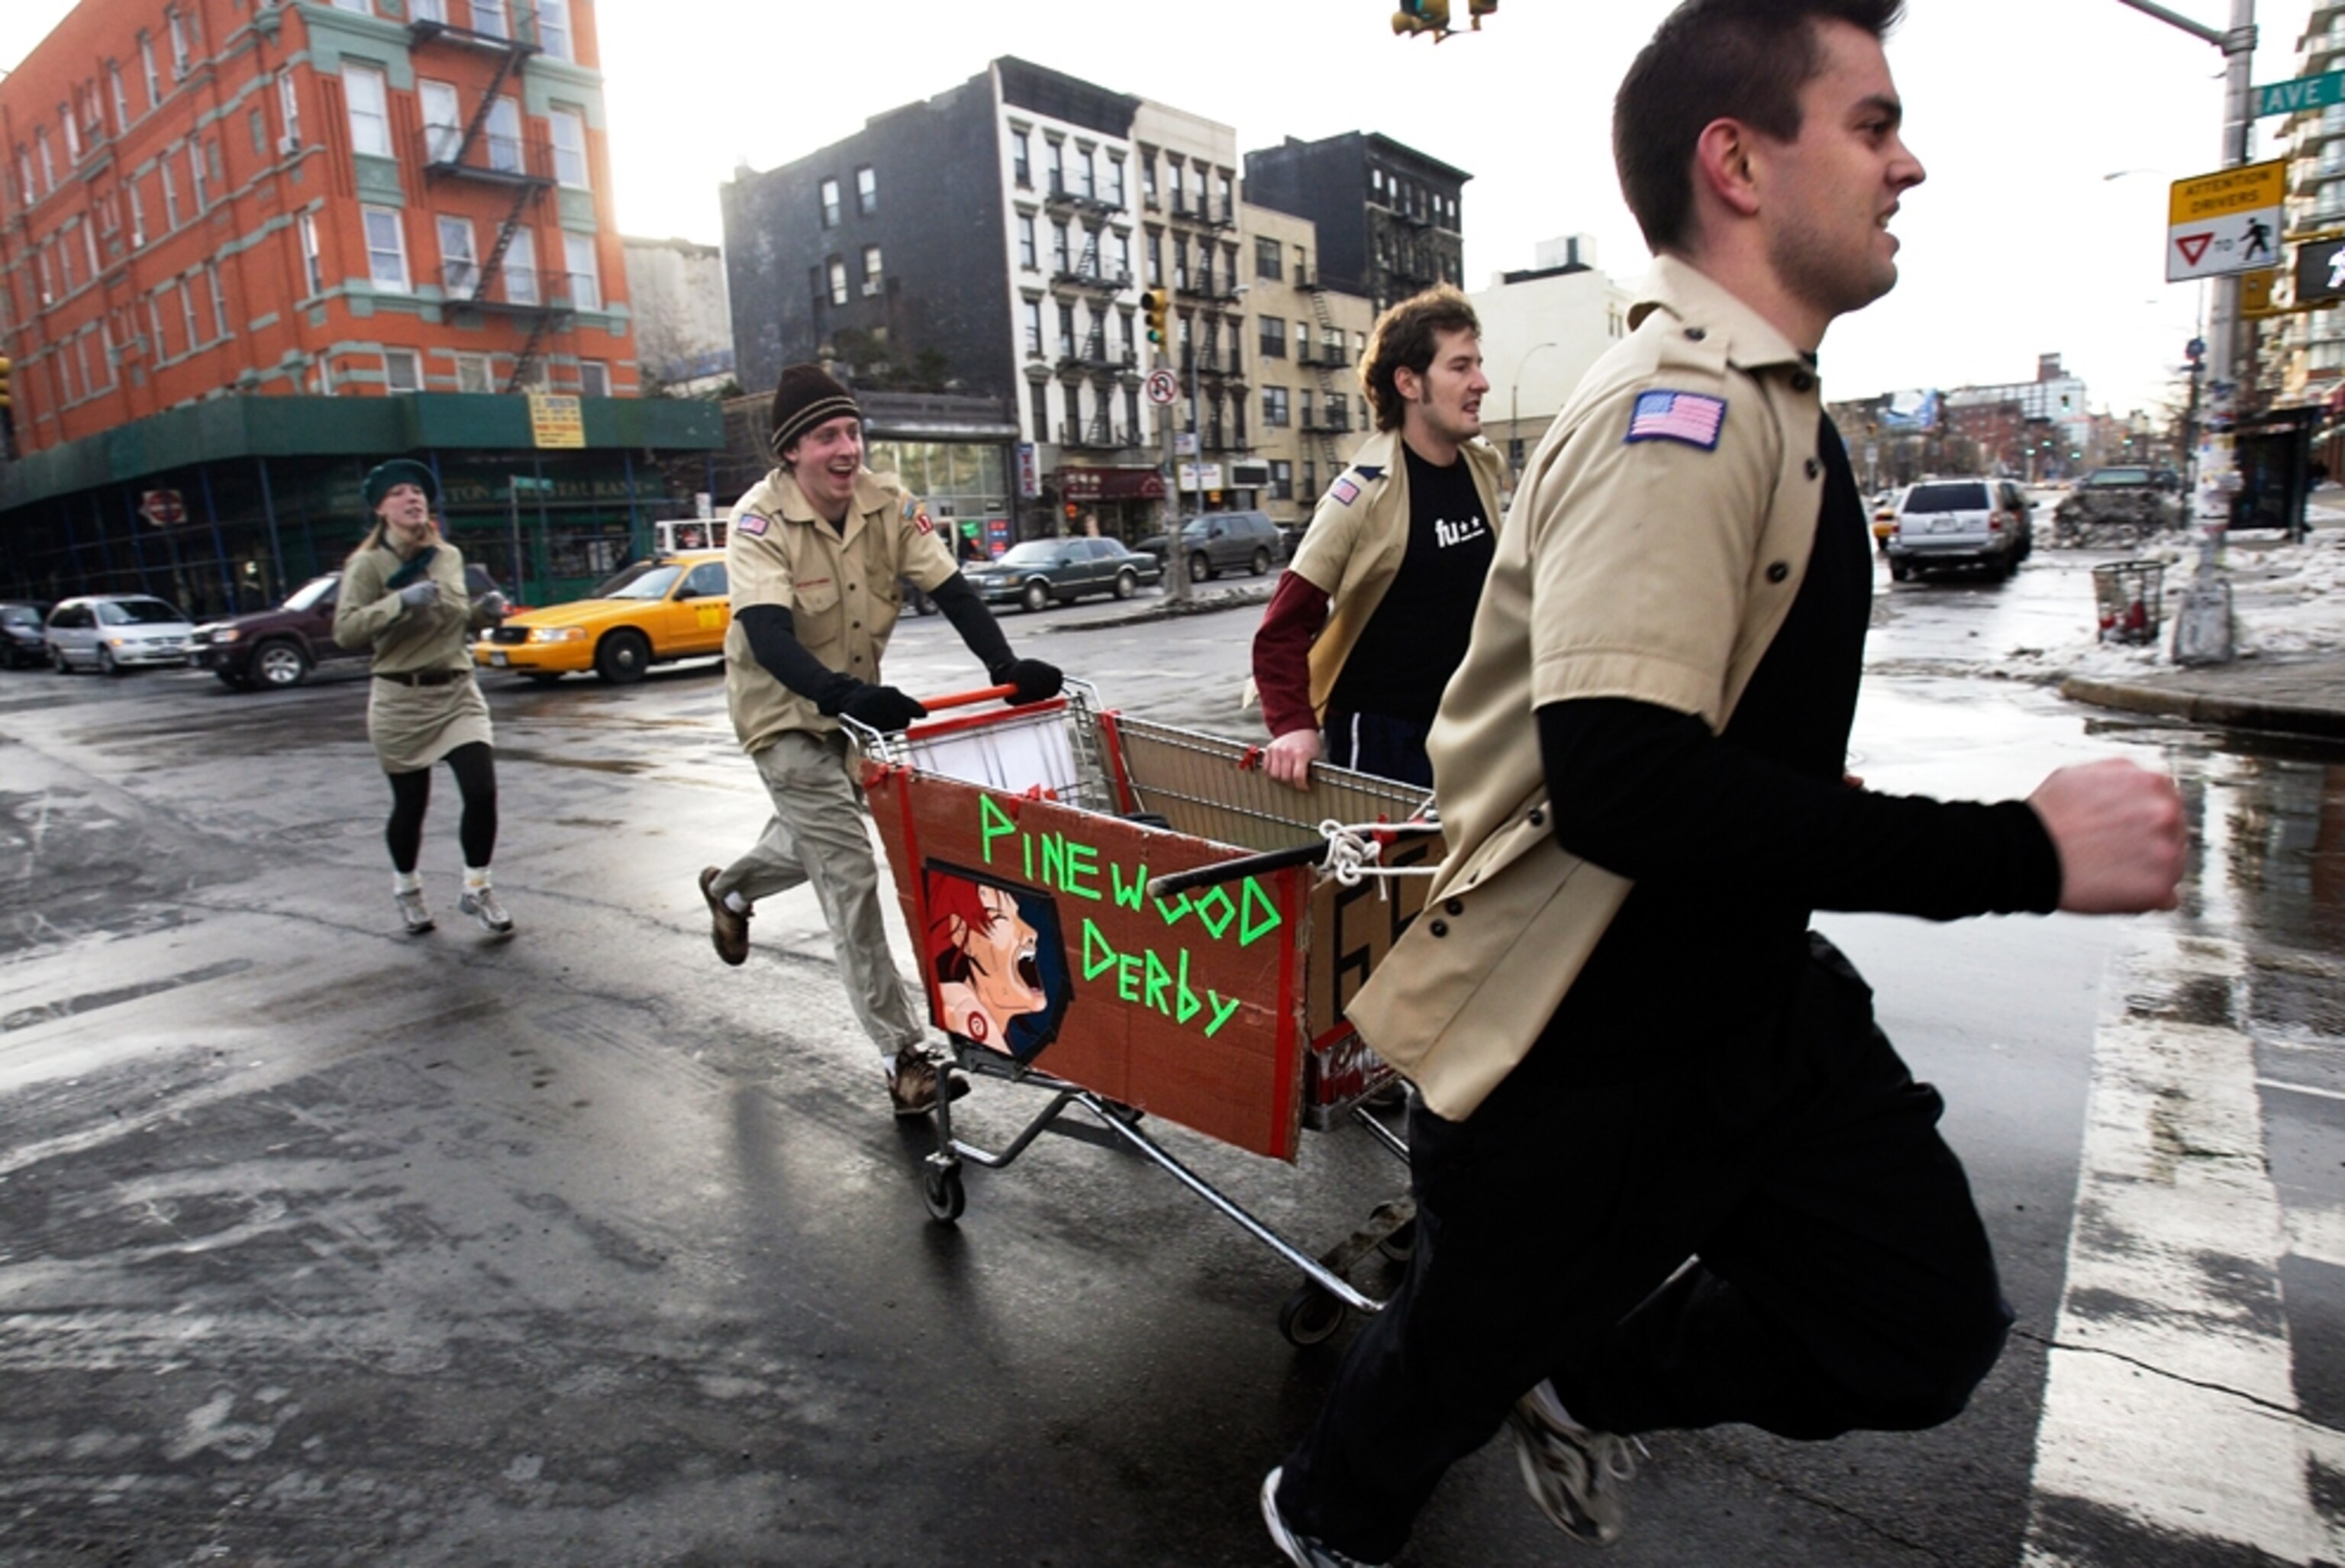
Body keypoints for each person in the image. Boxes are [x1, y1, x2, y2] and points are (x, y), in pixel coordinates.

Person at [1259, 5, 2189, 1565]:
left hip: (1754, 1004)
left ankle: (1580, 1370)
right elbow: (1625, 785)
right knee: (1410, 1415)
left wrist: (1783, 776)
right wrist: (2024, 850)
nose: (1910, 164)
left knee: (1922, 1322)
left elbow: (1688, 725)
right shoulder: (1669, 415)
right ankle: (1329, 1509)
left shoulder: (1775, 406)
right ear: (1738, 162)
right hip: (1577, 1042)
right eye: (1872, 124)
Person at [697, 364, 1063, 1118]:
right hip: (783, 712)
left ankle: (729, 888)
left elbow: (951, 587)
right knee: (850, 871)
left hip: (853, 710)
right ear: (791, 450)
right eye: (828, 435)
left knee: (814, 843)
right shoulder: (758, 520)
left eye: (854, 432)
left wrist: (1004, 664)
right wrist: (842, 694)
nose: (847, 448)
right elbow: (765, 633)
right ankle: (906, 1054)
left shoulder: (887, 500)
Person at [1250, 286, 1508, 790]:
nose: (1481, 382)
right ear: (1409, 383)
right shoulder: (1360, 494)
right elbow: (1281, 630)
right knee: (1392, 872)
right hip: (1385, 741)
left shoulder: (1482, 466)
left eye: (1478, 364)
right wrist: (1294, 726)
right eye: (1460, 367)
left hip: (1469, 732)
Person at [332, 459, 514, 939]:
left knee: (482, 791)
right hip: (400, 698)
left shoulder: (447, 556)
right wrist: (398, 603)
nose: (412, 498)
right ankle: (407, 889)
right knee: (411, 806)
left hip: (456, 691)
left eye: (417, 491)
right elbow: (346, 631)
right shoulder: (367, 565)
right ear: (380, 508)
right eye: (398, 493)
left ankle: (477, 887)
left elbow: (456, 617)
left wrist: (483, 614)